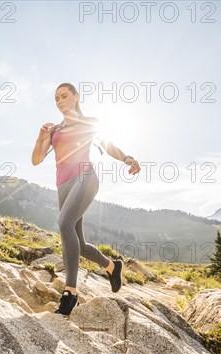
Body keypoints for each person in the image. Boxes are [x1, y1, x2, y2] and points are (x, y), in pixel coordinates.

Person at [31, 82, 141, 316]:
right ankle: (112, 267)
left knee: (63, 224)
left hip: (85, 177)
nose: (60, 101)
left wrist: (127, 158)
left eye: (64, 96)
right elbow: (36, 159)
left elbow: (108, 146)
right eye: (56, 99)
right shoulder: (54, 130)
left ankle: (70, 292)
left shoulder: (89, 123)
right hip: (63, 186)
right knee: (78, 245)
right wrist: (40, 138)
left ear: (76, 97)